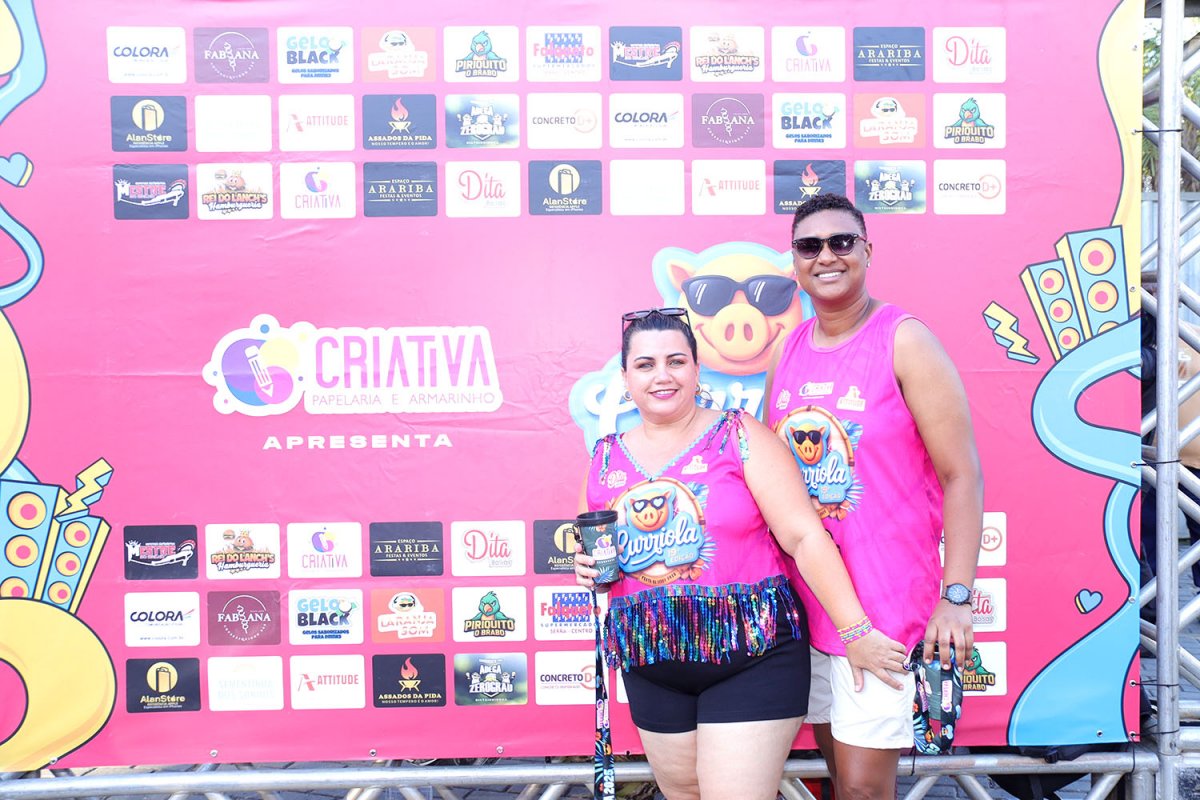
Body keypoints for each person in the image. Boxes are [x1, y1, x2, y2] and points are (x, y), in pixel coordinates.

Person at [574, 307, 908, 800]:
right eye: (645, 365)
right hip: (653, 662)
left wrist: (856, 632)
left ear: (696, 370)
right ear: (625, 379)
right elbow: (601, 555)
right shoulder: (604, 458)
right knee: (683, 792)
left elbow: (804, 537)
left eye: (676, 361)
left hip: (750, 655)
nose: (662, 375)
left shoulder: (740, 435)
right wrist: (587, 568)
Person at [766, 193, 984, 800]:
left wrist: (957, 597)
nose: (826, 256)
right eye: (810, 245)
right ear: (794, 261)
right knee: (836, 777)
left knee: (865, 788)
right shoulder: (787, 349)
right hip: (807, 604)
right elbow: (770, 479)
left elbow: (962, 476)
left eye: (842, 242)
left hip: (885, 602)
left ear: (867, 251)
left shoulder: (904, 340)